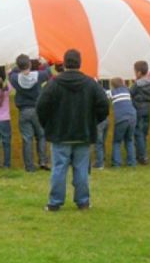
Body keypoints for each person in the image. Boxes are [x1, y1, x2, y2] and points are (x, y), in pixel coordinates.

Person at [36, 49, 109, 211]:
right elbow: (104, 105)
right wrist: (93, 121)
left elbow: (41, 107)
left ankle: (55, 202)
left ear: (63, 63)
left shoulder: (53, 84)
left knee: (59, 169)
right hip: (83, 133)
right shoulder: (91, 84)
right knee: (82, 169)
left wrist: (48, 125)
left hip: (60, 134)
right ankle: (83, 201)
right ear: (80, 62)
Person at [9, 55, 51, 172]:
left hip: (24, 111)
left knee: (27, 139)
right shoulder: (38, 75)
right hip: (37, 110)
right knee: (41, 136)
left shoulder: (15, 78)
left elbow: (11, 72)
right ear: (30, 64)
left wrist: (18, 66)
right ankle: (43, 161)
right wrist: (44, 63)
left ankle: (29, 166)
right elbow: (48, 73)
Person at [130, 61, 150, 165]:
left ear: (139, 72)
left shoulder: (137, 84)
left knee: (138, 132)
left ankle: (142, 156)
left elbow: (131, 92)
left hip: (138, 109)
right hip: (147, 108)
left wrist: (134, 83)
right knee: (144, 132)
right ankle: (143, 154)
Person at [109, 77, 137, 167]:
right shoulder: (127, 90)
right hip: (133, 116)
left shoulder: (112, 92)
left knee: (117, 141)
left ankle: (116, 163)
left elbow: (102, 93)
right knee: (129, 140)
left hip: (121, 118)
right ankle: (132, 162)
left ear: (112, 85)